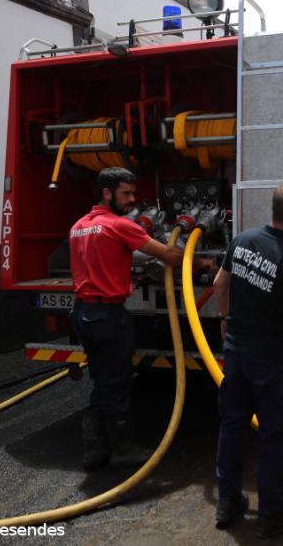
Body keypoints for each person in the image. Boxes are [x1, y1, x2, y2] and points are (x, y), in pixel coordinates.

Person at [70, 167, 211, 470]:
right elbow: (169, 255)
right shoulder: (120, 226)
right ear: (106, 193)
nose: (133, 200)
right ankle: (124, 451)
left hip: (83, 313)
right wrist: (202, 263)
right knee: (118, 383)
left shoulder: (79, 226)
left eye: (133, 193)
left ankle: (95, 452)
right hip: (108, 314)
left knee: (101, 381)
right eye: (126, 194)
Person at [212, 182, 283, 538]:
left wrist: (226, 319)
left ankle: (228, 502)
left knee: (232, 425)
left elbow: (219, 283)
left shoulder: (242, 240)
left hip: (236, 354)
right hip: (270, 362)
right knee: (275, 435)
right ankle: (274, 514)